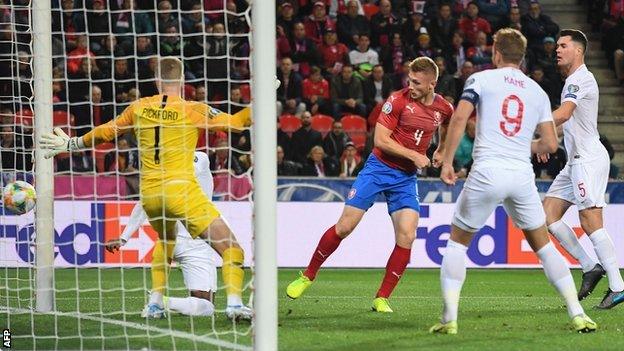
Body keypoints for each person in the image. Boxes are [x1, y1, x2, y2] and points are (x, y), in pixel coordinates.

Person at [40, 57, 253, 320]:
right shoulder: (193, 109)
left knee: (166, 242)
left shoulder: (138, 107)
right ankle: (234, 306)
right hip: (181, 192)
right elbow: (237, 122)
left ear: (156, 80)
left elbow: (106, 132)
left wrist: (72, 144)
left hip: (150, 195)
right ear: (183, 80)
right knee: (232, 249)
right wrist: (262, 102)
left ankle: (154, 303)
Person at [429, 28, 596, 335]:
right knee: (544, 248)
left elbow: (459, 118)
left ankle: (449, 317)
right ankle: (578, 313)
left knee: (457, 242)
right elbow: (549, 145)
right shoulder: (536, 91)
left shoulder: (480, 80)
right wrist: (522, 146)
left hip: (487, 171)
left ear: (495, 52)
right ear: (521, 57)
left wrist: (448, 160)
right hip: (521, 176)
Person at [286, 57, 454, 313]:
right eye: (409, 80)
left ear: (433, 83)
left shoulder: (444, 108)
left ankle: (382, 298)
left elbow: (448, 126)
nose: (411, 85)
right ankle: (307, 276)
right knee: (345, 227)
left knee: (407, 235)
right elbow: (381, 140)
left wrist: (441, 150)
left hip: (406, 178)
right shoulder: (396, 101)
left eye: (417, 82)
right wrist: (416, 156)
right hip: (378, 169)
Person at [105, 151, 252, 319]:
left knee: (203, 303)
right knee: (209, 304)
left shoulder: (181, 162)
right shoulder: (197, 157)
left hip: (171, 238)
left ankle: (160, 301)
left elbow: (146, 200)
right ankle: (234, 305)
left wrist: (125, 236)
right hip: (198, 238)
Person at [538, 29, 624, 308]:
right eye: (557, 46)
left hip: (587, 159)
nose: (557, 50)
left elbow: (563, 114)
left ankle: (618, 286)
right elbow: (567, 123)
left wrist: (534, 125)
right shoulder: (572, 81)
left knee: (590, 221)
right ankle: (590, 266)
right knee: (547, 215)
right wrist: (544, 141)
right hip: (574, 161)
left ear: (578, 51)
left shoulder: (581, 79)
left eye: (563, 45)